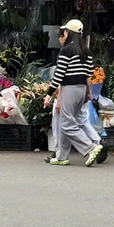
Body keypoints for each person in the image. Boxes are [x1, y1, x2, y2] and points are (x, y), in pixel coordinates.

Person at [45, 20, 104, 167]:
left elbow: (59, 74)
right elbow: (89, 74)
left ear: (67, 33)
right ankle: (62, 157)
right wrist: (89, 93)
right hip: (82, 89)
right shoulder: (86, 51)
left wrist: (49, 92)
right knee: (70, 121)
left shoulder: (66, 51)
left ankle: (91, 148)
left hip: (69, 89)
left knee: (66, 124)